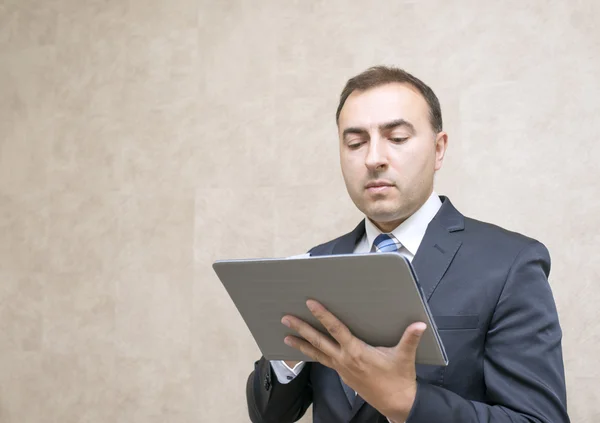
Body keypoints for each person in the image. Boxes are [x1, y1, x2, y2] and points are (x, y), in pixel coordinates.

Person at [245, 66, 569, 423]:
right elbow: (269, 415)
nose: (373, 158)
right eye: (355, 143)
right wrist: (285, 349)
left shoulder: (511, 264)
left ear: (439, 148)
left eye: (396, 138)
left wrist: (407, 401)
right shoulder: (314, 265)